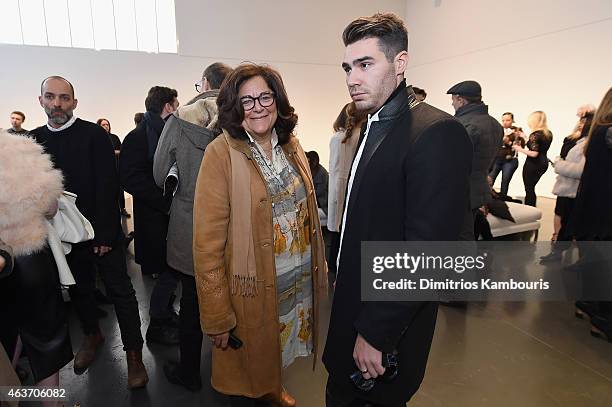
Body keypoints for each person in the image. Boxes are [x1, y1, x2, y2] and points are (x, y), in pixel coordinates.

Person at [324, 13, 472, 407]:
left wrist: (376, 332)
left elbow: (428, 250)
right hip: (354, 309)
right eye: (348, 67)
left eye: (365, 64)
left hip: (381, 335)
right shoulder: (373, 124)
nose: (352, 78)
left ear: (400, 63)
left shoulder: (436, 131)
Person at [193, 63, 327, 406]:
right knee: (251, 360)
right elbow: (206, 245)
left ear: (278, 100)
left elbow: (307, 212)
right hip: (252, 287)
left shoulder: (291, 145)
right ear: (235, 108)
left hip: (293, 279)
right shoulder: (220, 154)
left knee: (278, 347)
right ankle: (264, 388)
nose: (258, 107)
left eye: (265, 97)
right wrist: (217, 315)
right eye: (247, 100)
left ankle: (272, 385)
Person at [31, 76, 147, 388]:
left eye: (64, 98)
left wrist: (107, 236)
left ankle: (134, 356)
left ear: (74, 102)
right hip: (62, 239)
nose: (57, 104)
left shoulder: (94, 134)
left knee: (120, 292)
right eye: (51, 97)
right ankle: (92, 336)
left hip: (100, 234)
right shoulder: (33, 140)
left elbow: (109, 186)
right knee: (80, 291)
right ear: (40, 100)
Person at [153, 62, 232, 391]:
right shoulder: (240, 116)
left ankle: (189, 373)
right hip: (230, 223)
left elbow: (159, 174)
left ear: (204, 83)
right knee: (232, 299)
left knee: (191, 303)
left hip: (190, 225)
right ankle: (230, 376)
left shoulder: (180, 117)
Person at [0, 130, 72, 407]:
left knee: (6, 342)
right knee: (45, 340)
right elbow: (50, 207)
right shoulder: (20, 149)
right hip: (29, 260)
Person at [120, 86, 181, 346]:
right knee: (168, 271)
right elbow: (130, 178)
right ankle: (158, 324)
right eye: (175, 105)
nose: (178, 110)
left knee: (171, 270)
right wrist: (164, 201)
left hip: (169, 218)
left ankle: (165, 316)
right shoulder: (137, 137)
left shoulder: (165, 133)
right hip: (155, 218)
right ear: (167, 106)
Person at [569, 87, 612, 341]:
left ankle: (587, 305)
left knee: (595, 261)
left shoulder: (598, 132)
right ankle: (603, 319)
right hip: (604, 211)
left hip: (591, 208)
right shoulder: (608, 132)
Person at [448, 80, 503, 238]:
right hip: (478, 189)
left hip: (458, 191)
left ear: (461, 99)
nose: (452, 104)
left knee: (458, 237)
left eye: (453, 100)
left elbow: (452, 162)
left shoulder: (463, 124)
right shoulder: (495, 125)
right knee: (467, 233)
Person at [540, 112, 593, 263]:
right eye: (580, 122)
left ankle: (583, 260)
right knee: (566, 224)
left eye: (583, 122)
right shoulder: (579, 141)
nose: (580, 124)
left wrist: (559, 164)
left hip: (575, 191)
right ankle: (559, 253)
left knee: (576, 226)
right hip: (569, 190)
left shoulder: (588, 144)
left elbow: (580, 171)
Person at [327, 103, 364, 276]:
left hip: (338, 187)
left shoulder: (337, 138)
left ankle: (334, 267)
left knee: (336, 232)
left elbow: (333, 169)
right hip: (353, 186)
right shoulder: (361, 136)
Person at [514, 111, 553, 207]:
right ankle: (531, 208)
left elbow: (534, 153)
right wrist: (525, 137)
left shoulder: (535, 135)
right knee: (531, 188)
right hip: (543, 163)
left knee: (529, 189)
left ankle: (530, 209)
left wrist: (520, 149)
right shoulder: (548, 133)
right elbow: (537, 146)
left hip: (533, 164)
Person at [97, 118, 131, 218]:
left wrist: (115, 152)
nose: (106, 126)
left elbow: (122, 151)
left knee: (120, 190)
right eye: (103, 125)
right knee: (106, 190)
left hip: (116, 167)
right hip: (102, 169)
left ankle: (123, 209)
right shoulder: (97, 138)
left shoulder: (114, 137)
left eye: (107, 124)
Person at [489, 113, 524, 197]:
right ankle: (488, 200)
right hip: (497, 159)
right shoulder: (498, 129)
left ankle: (503, 201)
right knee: (490, 179)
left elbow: (521, 146)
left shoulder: (517, 131)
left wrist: (509, 142)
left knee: (505, 181)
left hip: (510, 160)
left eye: (508, 120)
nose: (505, 122)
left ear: (512, 120)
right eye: (503, 120)